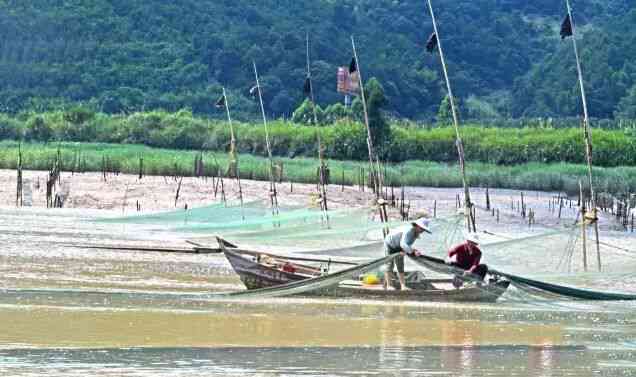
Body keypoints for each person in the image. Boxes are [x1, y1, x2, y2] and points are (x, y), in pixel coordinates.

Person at [383, 218, 432, 290]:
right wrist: (412, 251)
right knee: (389, 265)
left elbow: (406, 245)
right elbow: (403, 244)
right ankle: (389, 285)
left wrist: (411, 250)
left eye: (424, 230)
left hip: (399, 246)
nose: (422, 231)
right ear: (417, 226)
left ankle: (403, 286)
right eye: (422, 228)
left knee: (400, 265)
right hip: (390, 244)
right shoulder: (409, 231)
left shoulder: (415, 234)